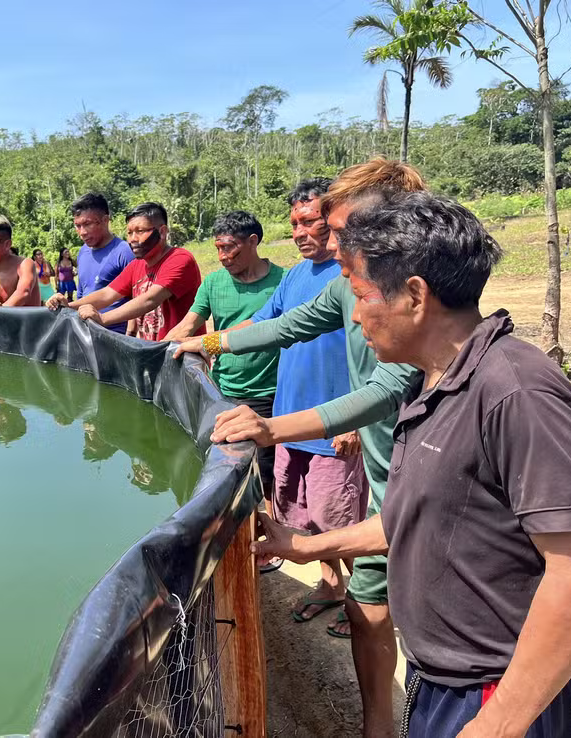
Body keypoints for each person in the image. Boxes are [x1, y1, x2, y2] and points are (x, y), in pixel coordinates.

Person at [257, 191, 571, 737]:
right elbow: (416, 517)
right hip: (440, 678)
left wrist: (498, 723)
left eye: (361, 296)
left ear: (415, 295)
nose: (356, 316)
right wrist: (307, 546)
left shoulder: (516, 392)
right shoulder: (432, 384)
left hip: (490, 692)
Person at [175, 157, 425, 738]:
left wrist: (272, 429)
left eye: (337, 229)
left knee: (425, 619)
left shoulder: (405, 295)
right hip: (386, 478)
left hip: (411, 472)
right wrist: (206, 342)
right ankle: (379, 725)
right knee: (368, 605)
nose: (327, 242)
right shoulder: (342, 286)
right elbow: (287, 325)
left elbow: (386, 386)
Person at [252, 179, 365, 636]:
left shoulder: (353, 274)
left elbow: (376, 358)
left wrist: (356, 422)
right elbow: (263, 324)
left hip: (336, 426)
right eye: (294, 223)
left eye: (309, 221)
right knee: (308, 517)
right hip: (289, 422)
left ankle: (368, 602)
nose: (299, 232)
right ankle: (331, 585)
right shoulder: (296, 276)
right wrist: (206, 344)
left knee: (343, 521)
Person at [162, 209, 284, 514]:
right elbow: (187, 326)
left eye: (229, 248)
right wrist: (158, 350)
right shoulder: (214, 282)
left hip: (268, 394)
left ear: (253, 241)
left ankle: (269, 531)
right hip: (221, 392)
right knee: (225, 472)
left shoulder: (282, 282)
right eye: (217, 248)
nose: (222, 257)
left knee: (265, 475)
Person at [47, 202, 201, 341]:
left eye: (140, 231)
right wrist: (68, 306)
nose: (133, 239)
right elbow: (107, 294)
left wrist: (102, 318)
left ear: (162, 232)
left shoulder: (179, 259)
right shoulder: (137, 265)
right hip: (154, 352)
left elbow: (150, 299)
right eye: (129, 233)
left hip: (181, 355)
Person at [46, 193, 134, 333]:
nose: (82, 232)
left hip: (115, 334)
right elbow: (82, 294)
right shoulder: (83, 252)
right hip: (85, 332)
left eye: (87, 224)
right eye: (77, 226)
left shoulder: (124, 252)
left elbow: (138, 298)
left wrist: (130, 334)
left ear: (105, 220)